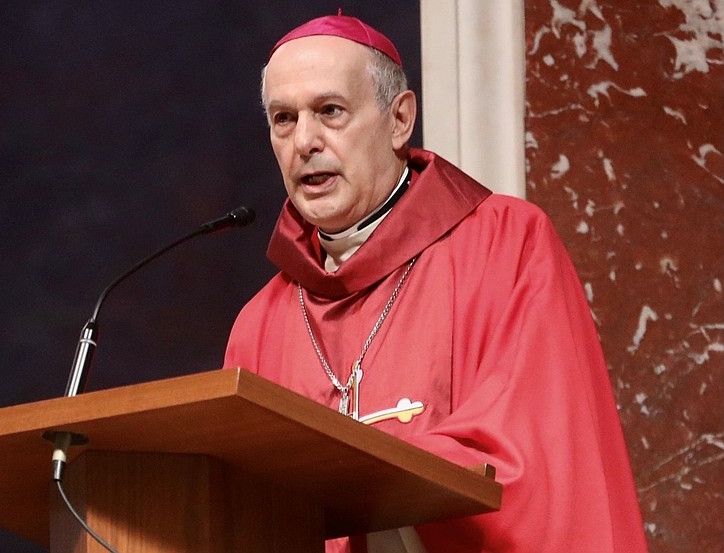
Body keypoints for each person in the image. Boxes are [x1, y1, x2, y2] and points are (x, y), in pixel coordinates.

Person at [223, 13, 649, 553]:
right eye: (284, 119)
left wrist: (365, 472)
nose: (305, 141)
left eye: (330, 111)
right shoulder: (260, 325)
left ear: (400, 120)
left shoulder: (506, 245)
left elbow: (541, 469)